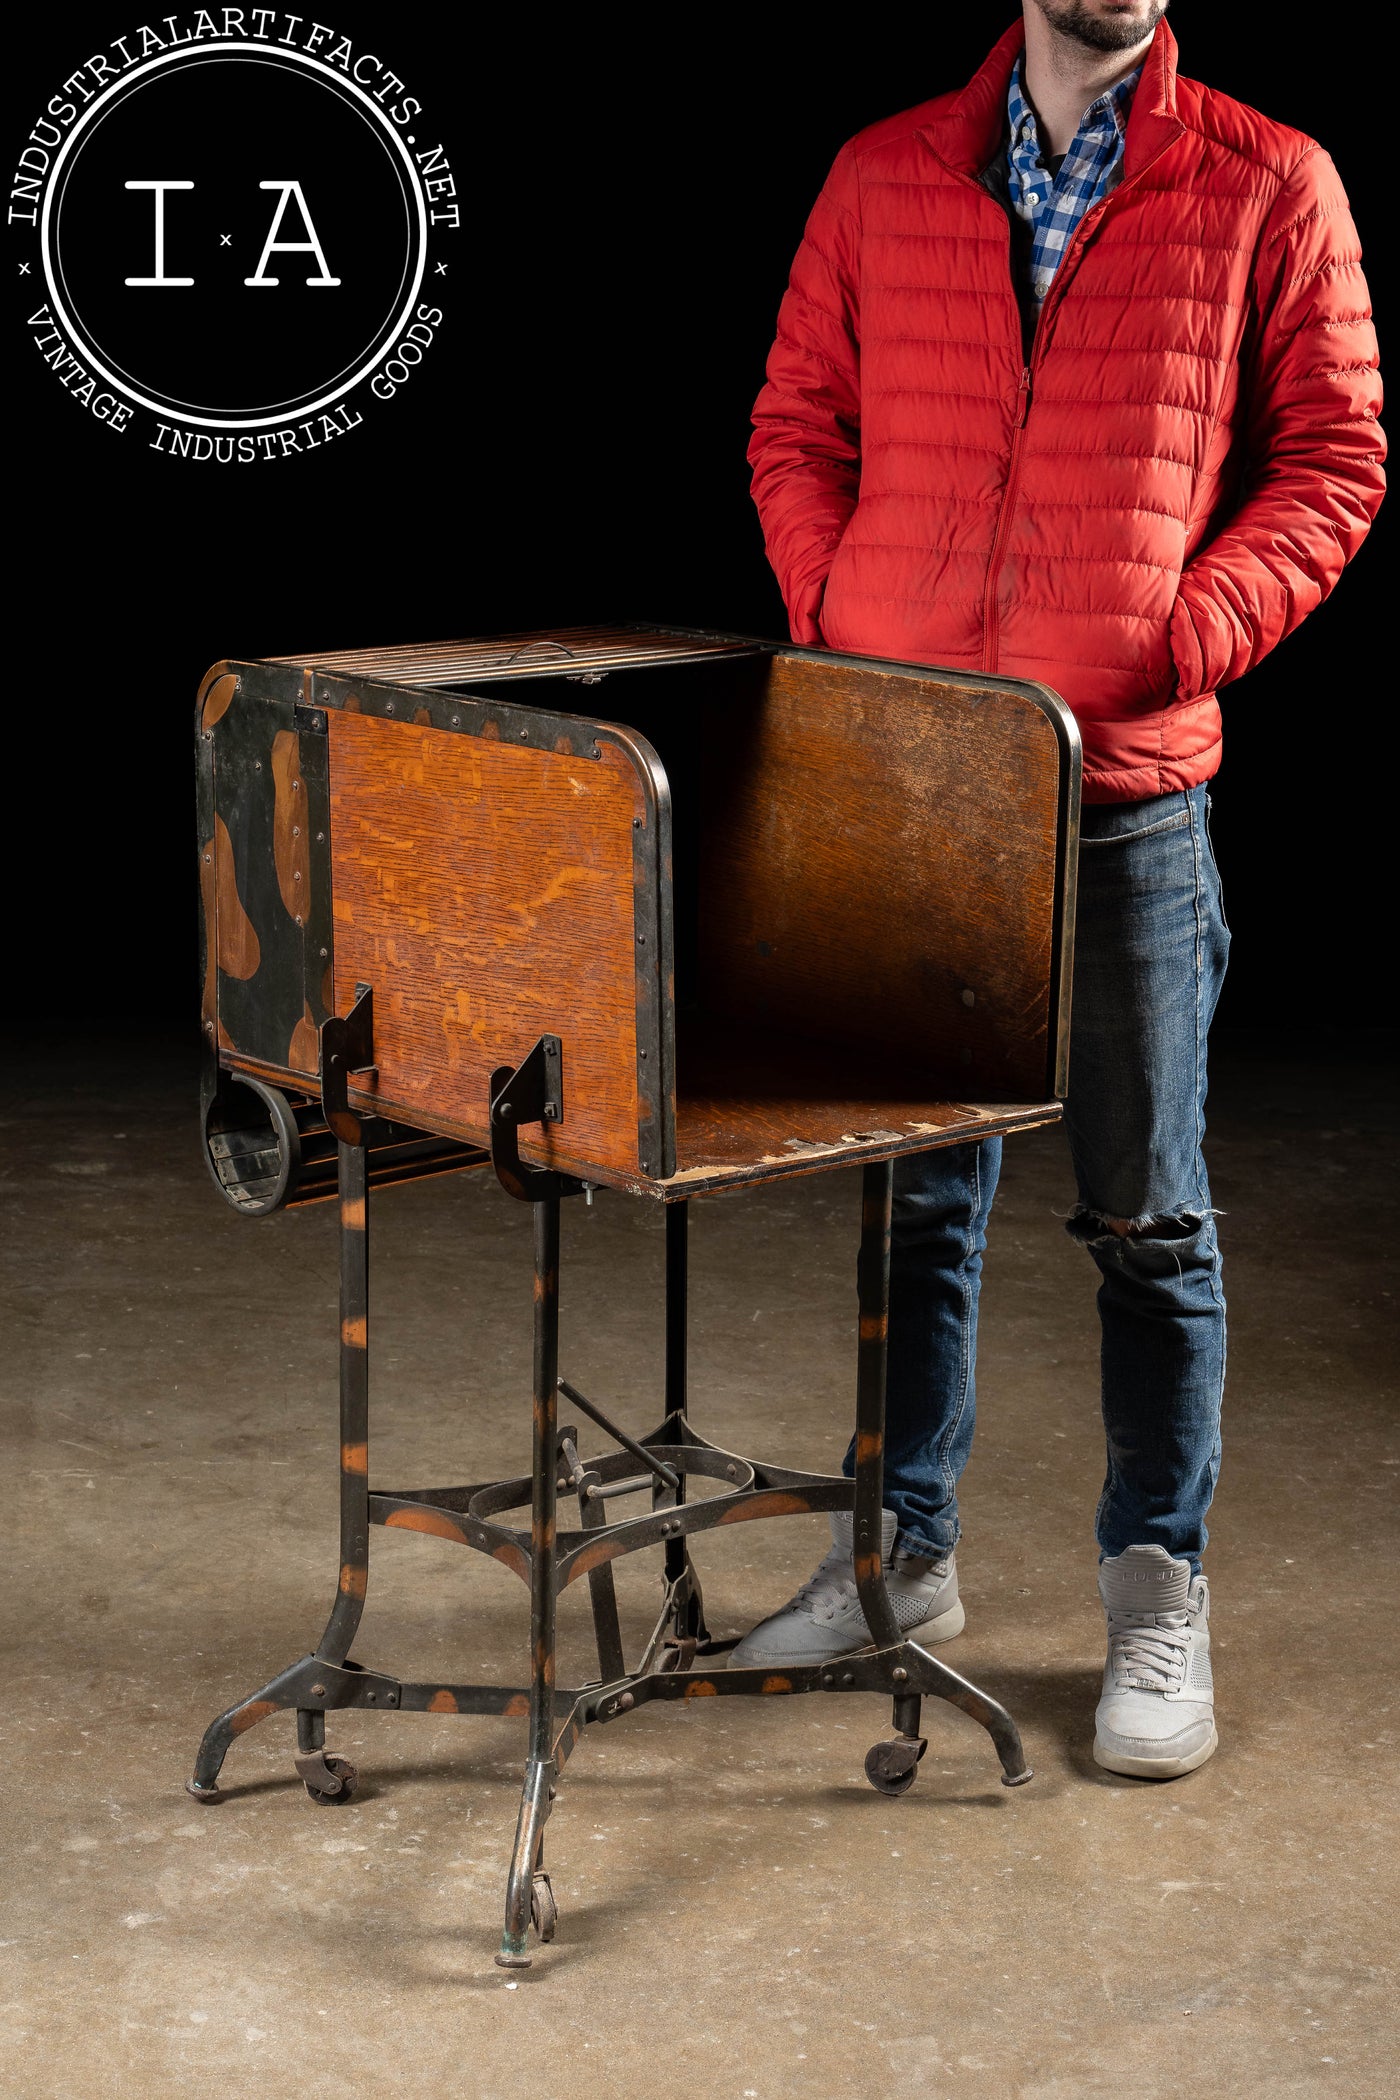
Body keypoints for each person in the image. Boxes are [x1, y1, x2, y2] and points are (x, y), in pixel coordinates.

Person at [735, 0, 1383, 1776]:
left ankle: (1157, 1591)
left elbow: (1336, 461)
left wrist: (1174, 642)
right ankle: (901, 1565)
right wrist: (844, 621)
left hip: (1122, 802)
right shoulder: (885, 173)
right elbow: (796, 423)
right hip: (915, 783)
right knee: (913, 1212)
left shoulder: (1268, 178)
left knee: (1151, 1227)